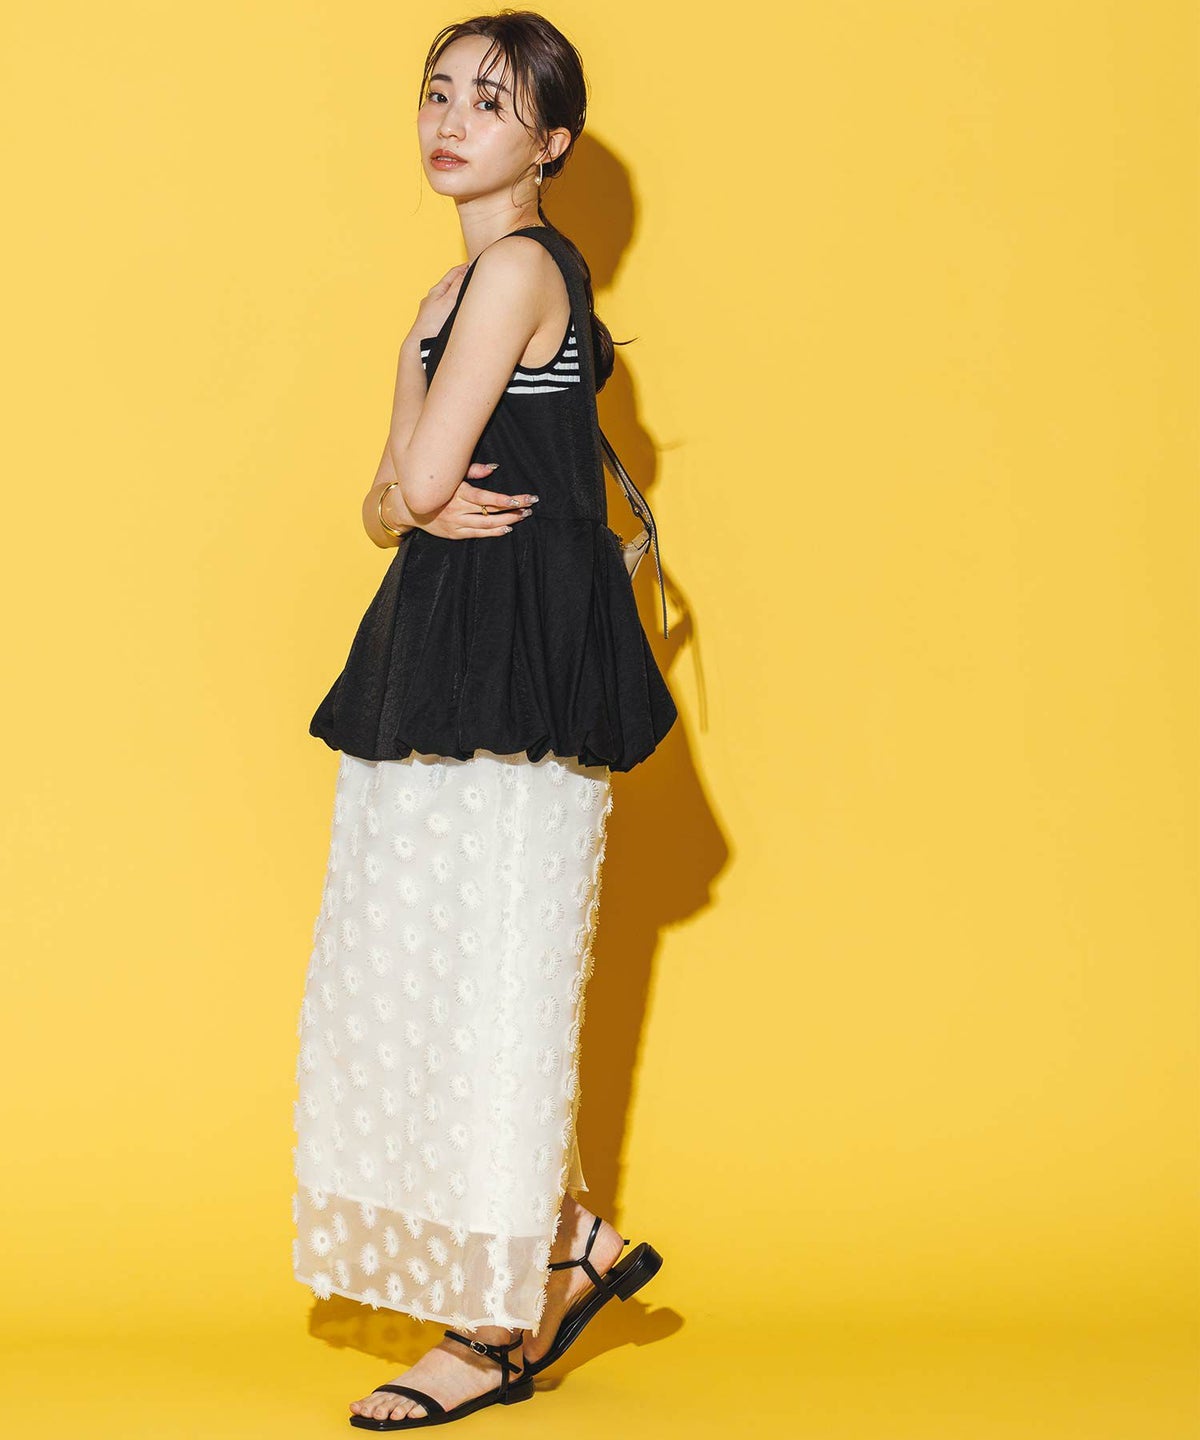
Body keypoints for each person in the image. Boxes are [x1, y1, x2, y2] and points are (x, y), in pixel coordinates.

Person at [290, 11, 677, 1431]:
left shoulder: (514, 269)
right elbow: (391, 503)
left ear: (551, 143)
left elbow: (410, 482)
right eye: (437, 93)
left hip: (515, 665)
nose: (451, 121)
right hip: (456, 659)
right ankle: (567, 1240)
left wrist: (407, 480)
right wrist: (407, 472)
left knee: (492, 975)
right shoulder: (458, 287)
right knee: (442, 965)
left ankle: (503, 1322)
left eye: (493, 103)